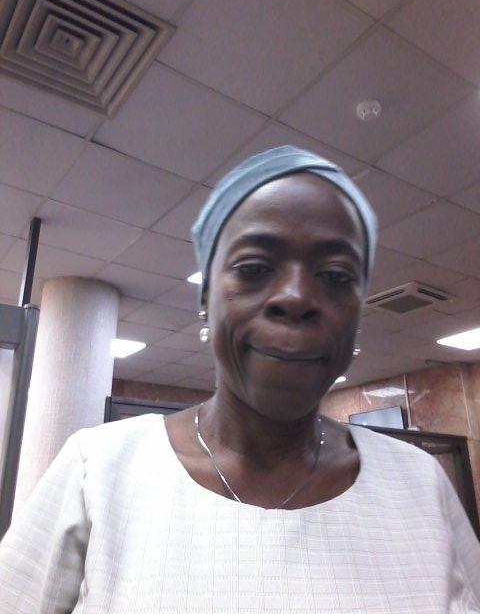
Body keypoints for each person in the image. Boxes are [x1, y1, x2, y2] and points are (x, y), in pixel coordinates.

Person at [0, 145, 479, 613]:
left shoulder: (420, 485)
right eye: (254, 268)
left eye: (336, 275)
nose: (296, 297)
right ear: (205, 298)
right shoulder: (99, 472)